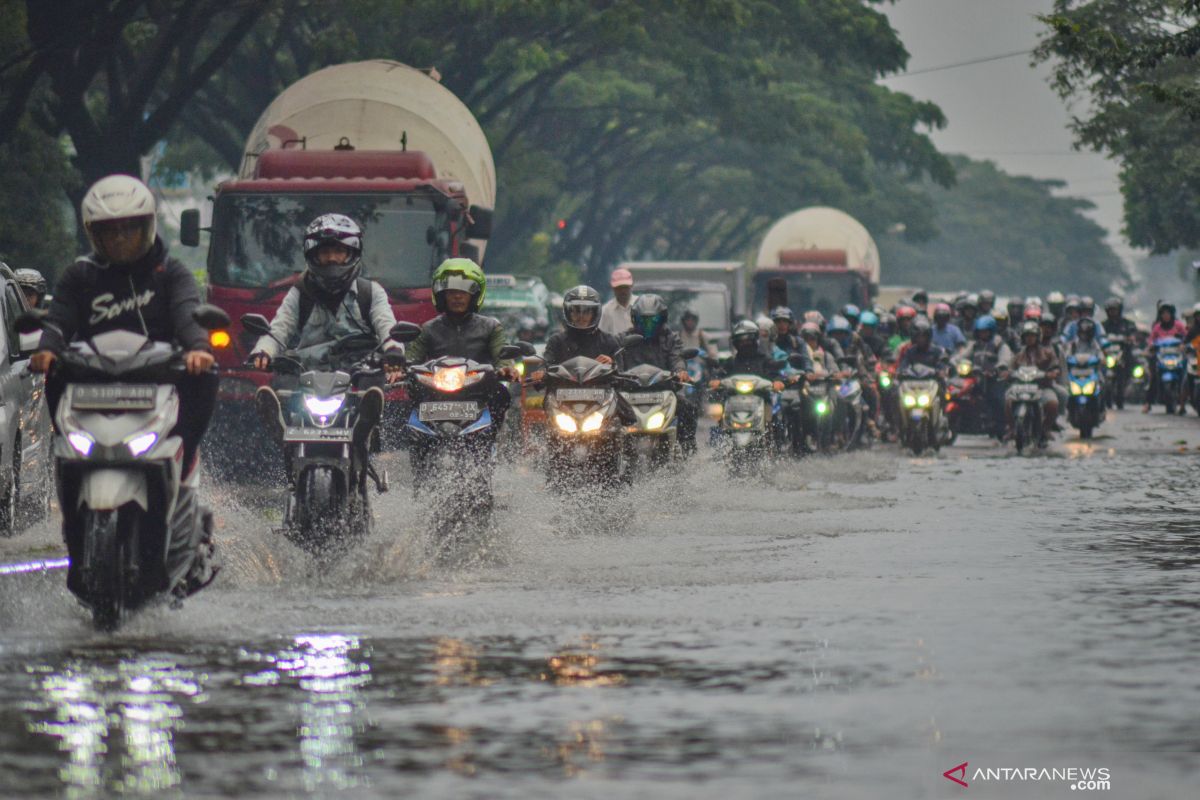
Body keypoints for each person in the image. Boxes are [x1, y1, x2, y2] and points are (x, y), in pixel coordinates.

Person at [31, 174, 216, 487]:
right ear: (94, 233)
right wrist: (47, 348)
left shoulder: (170, 272)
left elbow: (187, 312)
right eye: (109, 230)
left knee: (207, 377)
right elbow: (59, 318)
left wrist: (198, 347)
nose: (119, 238)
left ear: (146, 227)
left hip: (159, 372)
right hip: (91, 374)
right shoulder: (80, 275)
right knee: (54, 373)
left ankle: (185, 454)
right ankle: (67, 460)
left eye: (128, 228)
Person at [250, 214, 400, 449]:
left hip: (358, 370)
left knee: (371, 385)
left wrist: (392, 350)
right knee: (283, 380)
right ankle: (284, 428)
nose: (331, 258)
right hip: (309, 370)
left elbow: (386, 324)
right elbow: (280, 326)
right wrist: (263, 351)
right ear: (312, 254)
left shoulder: (370, 292)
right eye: (325, 252)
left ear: (352, 253)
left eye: (338, 252)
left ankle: (365, 427)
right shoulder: (299, 292)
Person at [401, 258, 520, 424]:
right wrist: (399, 369)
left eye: (464, 291)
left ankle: (494, 440)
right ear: (442, 295)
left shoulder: (491, 327)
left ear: (474, 295)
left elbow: (502, 355)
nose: (457, 296)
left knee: (501, 394)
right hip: (436, 391)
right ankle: (416, 444)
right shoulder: (428, 328)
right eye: (452, 291)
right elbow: (412, 359)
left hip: (477, 390)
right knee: (409, 394)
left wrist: (506, 369)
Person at [619, 294, 697, 452]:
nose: (648, 325)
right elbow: (612, 355)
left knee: (688, 408)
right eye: (643, 320)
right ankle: (609, 461)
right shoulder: (624, 339)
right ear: (635, 320)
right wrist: (607, 364)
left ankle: (687, 452)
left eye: (653, 320)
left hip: (662, 392)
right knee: (606, 420)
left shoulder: (671, 338)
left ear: (662, 320)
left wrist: (680, 371)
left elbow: (677, 357)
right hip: (629, 395)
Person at [961, 315, 1012, 439]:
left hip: (994, 379)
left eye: (985, 331)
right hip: (976, 378)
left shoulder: (999, 344)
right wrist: (953, 362)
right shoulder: (974, 345)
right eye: (980, 332)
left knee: (997, 400)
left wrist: (997, 369)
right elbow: (962, 356)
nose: (983, 334)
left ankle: (1002, 426)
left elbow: (1005, 359)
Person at [542, 286, 621, 365]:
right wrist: (542, 372)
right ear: (568, 313)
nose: (581, 316)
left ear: (594, 313)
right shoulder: (556, 342)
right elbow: (545, 365)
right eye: (576, 311)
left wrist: (612, 362)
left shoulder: (608, 341)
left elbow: (621, 369)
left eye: (586, 312)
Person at [1009, 320, 1060, 438]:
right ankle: (1011, 429)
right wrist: (1007, 373)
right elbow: (1010, 367)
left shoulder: (1047, 353)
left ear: (1038, 337)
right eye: (1027, 336)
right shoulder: (1018, 354)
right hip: (1020, 387)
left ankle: (1046, 429)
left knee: (1053, 403)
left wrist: (1052, 373)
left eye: (1032, 336)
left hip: (1042, 387)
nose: (1029, 339)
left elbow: (1055, 365)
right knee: (1008, 401)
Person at [1144, 301, 1188, 412]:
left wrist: (1184, 344)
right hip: (1161, 357)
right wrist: (1150, 347)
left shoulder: (1178, 325)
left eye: (1168, 313)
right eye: (1163, 313)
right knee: (1153, 377)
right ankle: (1148, 403)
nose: (1165, 316)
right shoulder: (1157, 327)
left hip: (1177, 356)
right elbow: (1151, 340)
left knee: (1186, 375)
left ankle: (1184, 403)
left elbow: (1186, 336)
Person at [599, 267, 636, 335]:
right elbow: (601, 336)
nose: (623, 291)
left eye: (625, 287)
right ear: (613, 288)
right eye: (619, 288)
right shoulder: (606, 311)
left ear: (631, 286)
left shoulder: (640, 305)